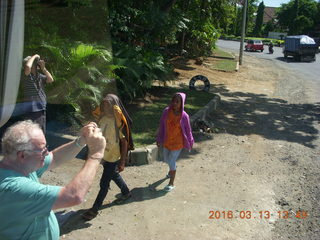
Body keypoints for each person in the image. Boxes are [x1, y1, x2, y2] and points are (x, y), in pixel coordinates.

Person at [0, 120, 106, 240]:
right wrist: (95, 155)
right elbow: (73, 196)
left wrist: (81, 140)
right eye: (42, 149)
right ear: (22, 155)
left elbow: (55, 158)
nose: (46, 152)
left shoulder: (19, 165)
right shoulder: (13, 188)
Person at [82, 94, 134, 221]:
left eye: (108, 104)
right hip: (103, 153)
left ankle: (95, 208)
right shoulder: (102, 118)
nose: (105, 107)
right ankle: (126, 192)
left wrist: (122, 161)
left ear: (114, 106)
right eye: (103, 104)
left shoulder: (118, 122)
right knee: (113, 174)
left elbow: (124, 142)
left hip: (113, 156)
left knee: (104, 183)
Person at [156, 92, 194, 192]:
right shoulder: (166, 112)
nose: (175, 103)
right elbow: (162, 126)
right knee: (166, 159)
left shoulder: (184, 116)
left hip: (178, 143)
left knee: (171, 161)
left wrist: (190, 142)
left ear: (182, 103)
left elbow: (188, 130)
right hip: (167, 141)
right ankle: (171, 170)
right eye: (173, 101)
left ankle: (171, 183)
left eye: (177, 102)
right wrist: (159, 138)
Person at [23, 54, 54, 133]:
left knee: (40, 129)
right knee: (32, 131)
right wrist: (35, 56)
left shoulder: (39, 76)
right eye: (34, 63)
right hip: (31, 108)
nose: (36, 65)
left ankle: (40, 144)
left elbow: (50, 79)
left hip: (41, 107)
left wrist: (43, 68)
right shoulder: (26, 75)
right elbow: (27, 67)